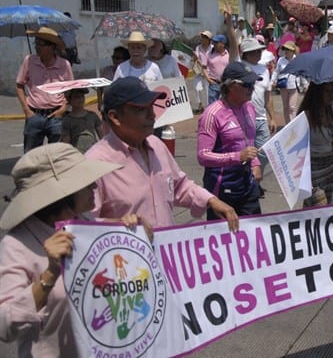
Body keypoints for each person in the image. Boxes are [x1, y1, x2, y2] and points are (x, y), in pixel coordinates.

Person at [0, 143, 145, 357]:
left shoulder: (83, 221)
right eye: (86, 183)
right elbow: (5, 326)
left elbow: (107, 232)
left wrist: (131, 228)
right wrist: (49, 276)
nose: (95, 187)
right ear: (61, 195)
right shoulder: (17, 245)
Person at [86, 77, 239, 231]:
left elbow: (179, 186)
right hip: (125, 254)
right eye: (140, 110)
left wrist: (210, 200)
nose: (152, 115)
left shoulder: (156, 145)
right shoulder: (95, 164)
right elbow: (84, 225)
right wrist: (119, 225)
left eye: (151, 107)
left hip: (165, 251)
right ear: (115, 117)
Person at [197, 62, 262, 217]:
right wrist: (237, 157)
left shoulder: (249, 107)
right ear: (231, 86)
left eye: (253, 84)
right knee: (225, 238)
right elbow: (202, 156)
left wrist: (255, 163)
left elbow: (249, 141)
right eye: (247, 84)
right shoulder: (212, 114)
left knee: (255, 233)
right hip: (222, 187)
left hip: (247, 183)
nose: (252, 88)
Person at [16, 26, 74, 153]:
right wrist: (26, 110)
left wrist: (64, 108)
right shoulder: (29, 61)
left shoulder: (64, 65)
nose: (37, 47)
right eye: (36, 43)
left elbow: (71, 90)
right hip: (34, 115)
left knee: (56, 155)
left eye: (41, 44)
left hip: (56, 116)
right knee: (31, 157)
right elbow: (19, 85)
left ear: (52, 47)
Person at [298, 82, 333, 207]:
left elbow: (332, 137)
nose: (331, 95)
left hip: (329, 166)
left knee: (317, 207)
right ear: (317, 93)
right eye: (327, 91)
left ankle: (306, 226)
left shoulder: (330, 111)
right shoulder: (306, 116)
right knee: (320, 205)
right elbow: (296, 144)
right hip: (313, 169)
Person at [240, 38, 277, 190]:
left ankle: (255, 181)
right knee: (244, 154)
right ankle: (248, 184)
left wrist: (272, 117)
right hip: (243, 117)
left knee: (264, 153)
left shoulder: (264, 70)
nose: (258, 53)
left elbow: (268, 96)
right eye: (254, 51)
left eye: (259, 50)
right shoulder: (240, 67)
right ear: (246, 53)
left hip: (261, 118)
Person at [271, 41, 305, 124]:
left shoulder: (297, 60)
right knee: (285, 107)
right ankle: (287, 125)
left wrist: (304, 84)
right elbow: (276, 71)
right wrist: (272, 81)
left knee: (292, 107)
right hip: (283, 86)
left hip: (293, 86)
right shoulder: (281, 60)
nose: (286, 51)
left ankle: (292, 125)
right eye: (285, 49)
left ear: (292, 51)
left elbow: (301, 73)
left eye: (288, 49)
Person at [61, 88, 103, 153]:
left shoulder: (92, 115)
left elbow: (102, 136)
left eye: (82, 96)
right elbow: (66, 142)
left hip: (93, 152)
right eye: (77, 97)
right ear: (69, 100)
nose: (81, 99)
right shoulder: (67, 120)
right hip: (77, 154)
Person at [204, 34, 231, 106]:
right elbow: (204, 67)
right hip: (214, 83)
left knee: (226, 105)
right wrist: (208, 79)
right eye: (213, 42)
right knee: (212, 106)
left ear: (223, 44)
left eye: (216, 42)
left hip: (226, 84)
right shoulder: (209, 54)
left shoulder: (229, 55)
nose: (214, 44)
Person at [191, 30, 213, 114]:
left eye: (205, 37)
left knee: (207, 89)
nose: (203, 39)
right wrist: (195, 57)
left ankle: (208, 106)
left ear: (209, 39)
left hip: (208, 71)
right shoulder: (198, 47)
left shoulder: (212, 48)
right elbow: (195, 58)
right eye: (202, 37)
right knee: (196, 87)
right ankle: (199, 104)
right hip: (199, 70)